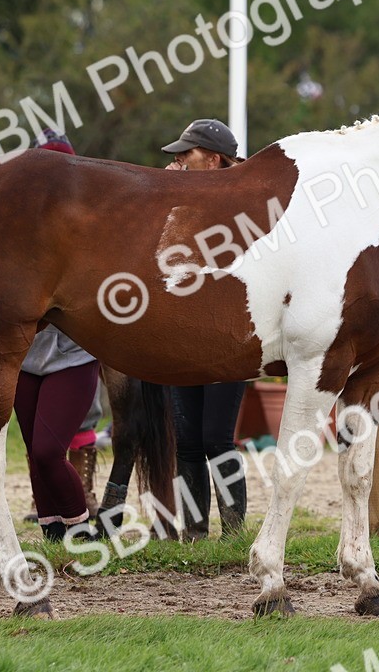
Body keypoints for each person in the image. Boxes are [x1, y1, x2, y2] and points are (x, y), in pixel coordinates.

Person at [161, 119, 248, 540]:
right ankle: (195, 535)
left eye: (187, 154)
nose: (178, 160)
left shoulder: (246, 199)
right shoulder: (180, 198)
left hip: (229, 335)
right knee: (188, 439)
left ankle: (233, 533)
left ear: (212, 160)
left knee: (217, 436)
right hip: (184, 332)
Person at [15, 129, 103, 540]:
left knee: (50, 450)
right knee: (36, 454)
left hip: (74, 353)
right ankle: (53, 532)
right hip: (24, 355)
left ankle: (82, 531)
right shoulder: (13, 228)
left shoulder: (90, 225)